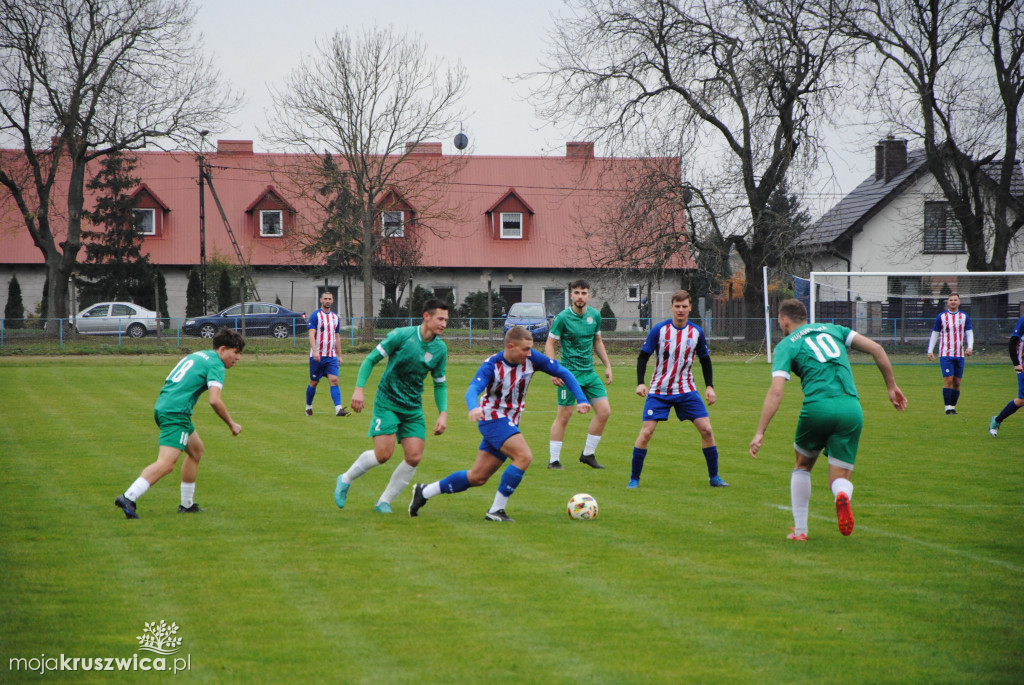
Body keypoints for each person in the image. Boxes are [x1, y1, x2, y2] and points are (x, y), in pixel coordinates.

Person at [750, 299, 906, 541]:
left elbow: (777, 391)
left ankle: (800, 531)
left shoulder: (786, 345)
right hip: (850, 407)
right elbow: (876, 348)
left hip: (817, 407)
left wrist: (760, 431)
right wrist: (891, 386)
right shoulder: (834, 329)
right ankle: (841, 495)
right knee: (839, 477)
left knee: (802, 465)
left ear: (783, 320)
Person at [408, 326, 591, 522]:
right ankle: (496, 510)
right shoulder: (492, 365)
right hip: (492, 418)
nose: (529, 353)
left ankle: (424, 491)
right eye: (525, 349)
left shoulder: (532, 359)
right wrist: (473, 407)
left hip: (509, 422)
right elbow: (472, 390)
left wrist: (581, 399)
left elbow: (565, 373)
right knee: (524, 456)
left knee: (477, 477)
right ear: (511, 347)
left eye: (531, 349)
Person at [114, 327, 245, 519]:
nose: (239, 358)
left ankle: (187, 505)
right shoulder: (216, 365)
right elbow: (215, 400)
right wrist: (232, 424)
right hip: (176, 413)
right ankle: (128, 497)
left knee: (196, 451)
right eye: (236, 352)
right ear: (223, 349)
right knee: (166, 463)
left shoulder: (200, 355)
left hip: (165, 406)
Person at [333, 299, 450, 514]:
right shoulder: (401, 335)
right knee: (383, 454)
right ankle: (345, 479)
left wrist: (443, 413)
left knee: (414, 456)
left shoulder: (440, 349)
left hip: (413, 408)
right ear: (427, 316)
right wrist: (359, 389)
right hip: (387, 402)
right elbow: (370, 360)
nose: (444, 324)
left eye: (446, 320)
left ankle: (383, 502)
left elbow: (439, 384)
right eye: (440, 319)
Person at [628, 289, 728, 489]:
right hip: (659, 391)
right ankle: (634, 479)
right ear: (672, 307)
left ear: (690, 307)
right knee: (646, 432)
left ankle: (714, 478)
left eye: (684, 306)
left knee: (707, 430)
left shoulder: (696, 332)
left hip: (686, 390)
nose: (681, 310)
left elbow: (705, 360)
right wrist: (640, 382)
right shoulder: (659, 330)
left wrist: (709, 386)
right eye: (677, 306)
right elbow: (643, 357)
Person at [545, 279, 613, 470]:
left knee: (604, 411)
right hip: (568, 374)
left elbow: (597, 341)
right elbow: (549, 344)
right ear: (571, 296)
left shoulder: (595, 316)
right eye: (577, 293)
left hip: (589, 373)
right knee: (564, 416)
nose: (580, 296)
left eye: (584, 293)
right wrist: (553, 370)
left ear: (588, 296)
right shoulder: (562, 318)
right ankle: (554, 460)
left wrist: (607, 365)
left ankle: (588, 455)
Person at [927, 293, 973, 415]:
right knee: (948, 380)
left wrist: (970, 347)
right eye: (951, 300)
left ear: (959, 302)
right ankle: (947, 407)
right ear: (947, 302)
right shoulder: (941, 317)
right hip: (945, 354)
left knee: (957, 383)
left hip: (960, 355)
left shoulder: (964, 317)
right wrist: (930, 350)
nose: (953, 302)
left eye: (955, 300)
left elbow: (969, 333)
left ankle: (952, 407)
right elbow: (935, 334)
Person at [305, 291, 350, 417]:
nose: (327, 301)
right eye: (325, 298)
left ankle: (338, 409)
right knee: (314, 382)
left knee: (334, 380)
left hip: (331, 356)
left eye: (330, 299)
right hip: (318, 356)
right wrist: (315, 351)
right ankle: (308, 406)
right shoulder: (316, 316)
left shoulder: (335, 317)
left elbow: (337, 337)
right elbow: (311, 334)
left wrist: (339, 355)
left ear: (333, 300)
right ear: (321, 300)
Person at [989, 314, 1024, 437]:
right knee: (1022, 400)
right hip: (1023, 366)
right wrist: (1016, 363)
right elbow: (1012, 342)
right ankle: (997, 420)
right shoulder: (1023, 321)